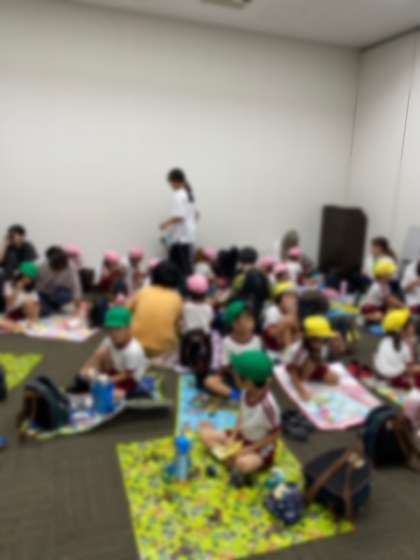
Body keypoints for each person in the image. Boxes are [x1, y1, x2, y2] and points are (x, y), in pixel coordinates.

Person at [200, 350, 281, 484]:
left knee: (242, 464)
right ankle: (232, 463)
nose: (233, 376)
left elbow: (275, 434)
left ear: (248, 382)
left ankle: (234, 464)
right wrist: (232, 437)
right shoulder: (245, 392)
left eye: (236, 375)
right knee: (205, 435)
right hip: (241, 437)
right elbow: (241, 415)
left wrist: (249, 449)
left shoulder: (268, 406)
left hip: (259, 446)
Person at [79, 307, 148, 398]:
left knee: (109, 394)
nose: (113, 333)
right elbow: (97, 355)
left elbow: (128, 374)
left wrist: (108, 380)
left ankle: (136, 395)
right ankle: (92, 382)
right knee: (100, 353)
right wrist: (87, 371)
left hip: (129, 378)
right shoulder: (110, 339)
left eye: (118, 329)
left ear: (128, 329)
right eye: (110, 329)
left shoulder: (133, 350)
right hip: (115, 369)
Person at [205, 300, 261, 398]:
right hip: (233, 376)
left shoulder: (257, 340)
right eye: (246, 319)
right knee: (209, 381)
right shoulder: (227, 342)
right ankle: (237, 396)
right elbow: (225, 365)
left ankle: (247, 394)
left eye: (251, 319)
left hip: (251, 379)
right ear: (234, 324)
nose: (251, 322)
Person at [129, 261, 183, 358]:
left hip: (135, 344)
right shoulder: (177, 298)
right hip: (163, 349)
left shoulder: (143, 292)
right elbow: (178, 325)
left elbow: (126, 311)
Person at [285, 315, 339, 401]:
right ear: (309, 338)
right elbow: (293, 373)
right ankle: (306, 379)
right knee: (309, 369)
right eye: (317, 339)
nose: (321, 342)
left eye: (324, 339)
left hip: (314, 364)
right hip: (299, 369)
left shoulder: (321, 346)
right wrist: (302, 391)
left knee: (334, 379)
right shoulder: (299, 351)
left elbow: (322, 360)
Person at [160, 168, 197, 277]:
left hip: (181, 238)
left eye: (170, 182)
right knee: (185, 266)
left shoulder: (179, 195)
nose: (170, 185)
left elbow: (179, 217)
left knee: (180, 268)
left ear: (175, 181)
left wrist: (165, 224)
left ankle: (184, 285)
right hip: (188, 236)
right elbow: (196, 215)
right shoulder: (189, 194)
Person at [180, 274, 214, 386]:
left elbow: (182, 321)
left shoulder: (185, 306)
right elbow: (210, 323)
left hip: (188, 338)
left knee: (185, 356)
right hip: (204, 338)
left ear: (189, 292)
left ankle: (185, 366)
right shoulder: (208, 308)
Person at [374, 308, 420, 389]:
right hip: (396, 379)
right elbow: (410, 370)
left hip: (381, 373)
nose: (413, 326)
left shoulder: (384, 340)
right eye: (410, 324)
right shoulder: (405, 347)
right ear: (402, 330)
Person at [37, 247, 83, 315]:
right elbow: (38, 287)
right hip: (44, 293)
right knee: (46, 312)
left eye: (61, 267)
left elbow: (76, 288)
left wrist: (78, 308)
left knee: (63, 295)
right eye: (56, 268)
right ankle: (50, 308)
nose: (58, 270)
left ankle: (57, 306)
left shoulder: (71, 267)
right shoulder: (42, 267)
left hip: (60, 292)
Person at [231, 247, 271, 320]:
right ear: (255, 260)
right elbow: (268, 294)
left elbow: (234, 292)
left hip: (242, 314)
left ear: (240, 260)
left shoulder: (239, 274)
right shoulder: (262, 275)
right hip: (258, 311)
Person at [361, 258, 403, 323]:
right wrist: (402, 306)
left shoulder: (385, 285)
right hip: (370, 310)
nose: (391, 276)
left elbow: (391, 298)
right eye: (389, 274)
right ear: (383, 274)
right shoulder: (378, 286)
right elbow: (390, 299)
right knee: (385, 317)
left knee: (392, 311)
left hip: (380, 307)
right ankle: (367, 319)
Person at [262, 282, 299, 354]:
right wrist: (287, 319)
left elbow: (298, 330)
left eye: (294, 297)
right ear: (279, 299)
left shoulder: (295, 311)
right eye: (289, 296)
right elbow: (271, 334)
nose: (293, 300)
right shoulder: (272, 311)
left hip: (290, 348)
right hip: (273, 351)